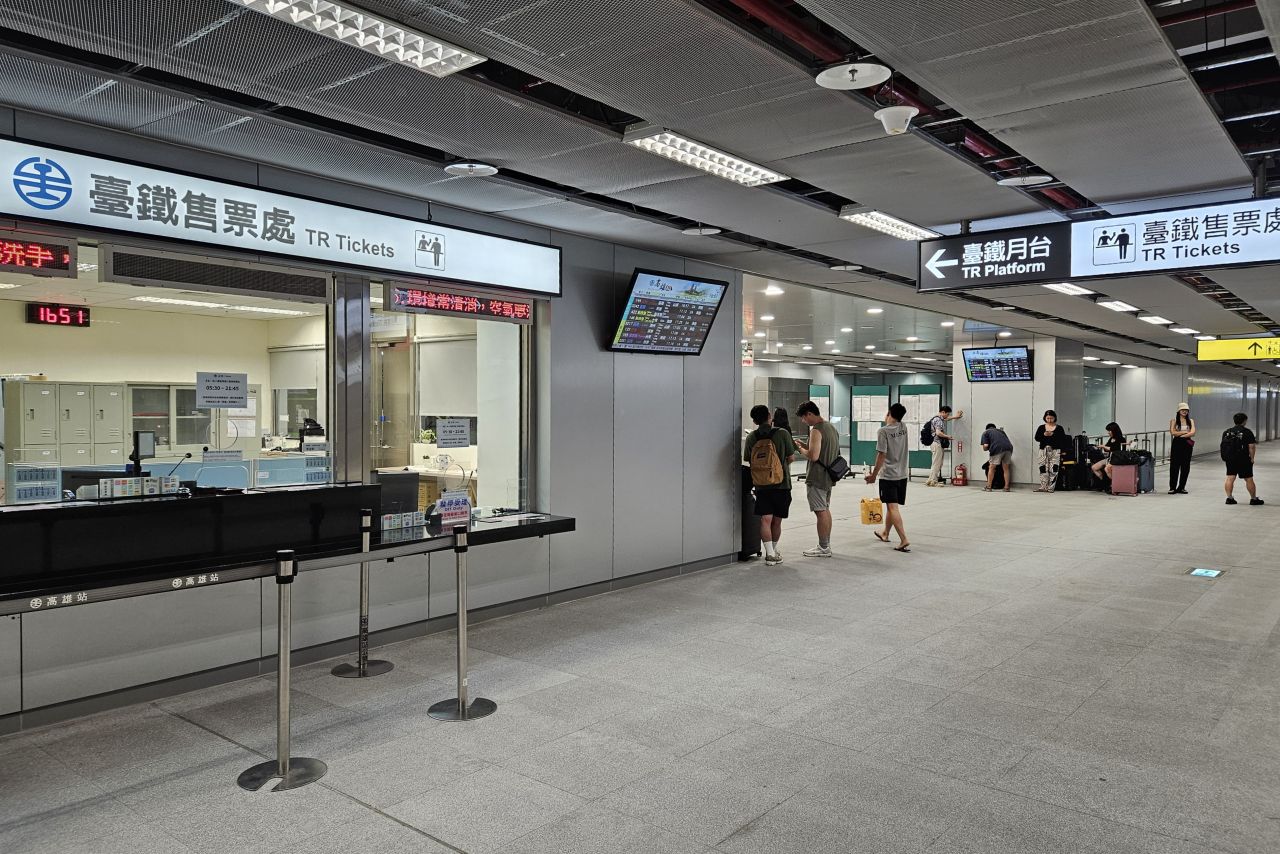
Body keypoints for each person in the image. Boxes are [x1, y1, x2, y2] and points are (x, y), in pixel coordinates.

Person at [743, 405, 797, 566]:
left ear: (754, 421)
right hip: (782, 484)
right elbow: (791, 457)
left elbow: (749, 459)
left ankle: (770, 554)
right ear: (769, 416)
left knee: (765, 520)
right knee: (777, 521)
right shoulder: (782, 433)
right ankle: (773, 551)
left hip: (761, 485)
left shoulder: (752, 437)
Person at [794, 400, 841, 557]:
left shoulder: (816, 430)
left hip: (817, 477)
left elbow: (814, 456)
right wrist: (805, 445)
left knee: (820, 512)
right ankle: (826, 544)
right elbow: (823, 451)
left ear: (809, 414)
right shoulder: (830, 428)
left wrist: (800, 449)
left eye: (803, 417)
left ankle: (823, 547)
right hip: (828, 476)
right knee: (825, 509)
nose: (803, 421)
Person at [866, 402, 911, 552]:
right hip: (902, 474)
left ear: (889, 413)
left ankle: (904, 539)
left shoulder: (883, 431)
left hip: (889, 475)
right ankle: (885, 532)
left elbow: (881, 454)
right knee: (891, 507)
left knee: (892, 507)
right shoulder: (903, 427)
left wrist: (873, 475)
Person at [1223, 412, 1263, 506]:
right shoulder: (1247, 432)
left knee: (1230, 478)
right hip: (1243, 459)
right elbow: (1251, 447)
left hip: (1230, 459)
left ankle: (1229, 498)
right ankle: (1253, 499)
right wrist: (1252, 458)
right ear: (1244, 421)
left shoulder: (1227, 432)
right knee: (1249, 479)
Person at [925, 405, 964, 487]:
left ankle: (930, 480)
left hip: (934, 443)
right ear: (943, 412)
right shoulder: (939, 420)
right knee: (937, 463)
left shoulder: (936, 418)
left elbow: (946, 419)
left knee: (936, 462)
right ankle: (933, 481)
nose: (948, 415)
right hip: (936, 443)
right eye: (947, 414)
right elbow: (938, 432)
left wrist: (956, 417)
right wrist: (947, 436)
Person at [1033, 410, 1070, 493]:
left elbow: (1063, 439)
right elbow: (1037, 438)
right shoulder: (1041, 427)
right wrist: (1044, 435)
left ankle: (1051, 487)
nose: (1049, 420)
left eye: (1051, 418)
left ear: (1054, 418)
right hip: (1043, 450)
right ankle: (1043, 486)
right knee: (1043, 468)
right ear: (1045, 418)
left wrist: (1053, 435)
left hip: (1055, 450)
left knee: (1053, 469)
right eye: (1048, 418)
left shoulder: (1059, 428)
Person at [1169, 403, 1195, 494]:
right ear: (1179, 411)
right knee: (1174, 466)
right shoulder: (1174, 421)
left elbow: (1193, 432)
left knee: (1185, 466)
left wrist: (1180, 434)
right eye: (1183, 410)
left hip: (1187, 444)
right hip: (1177, 444)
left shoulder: (1190, 421)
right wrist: (1185, 432)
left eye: (1186, 410)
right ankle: (1172, 487)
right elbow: (1173, 432)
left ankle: (1182, 487)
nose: (1185, 411)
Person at [979, 423, 1013, 492]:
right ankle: (1006, 487)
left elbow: (985, 446)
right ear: (994, 427)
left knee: (991, 467)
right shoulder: (1001, 431)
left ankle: (989, 487)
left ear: (987, 428)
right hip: (1009, 448)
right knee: (1006, 468)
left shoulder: (986, 432)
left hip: (997, 448)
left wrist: (986, 448)